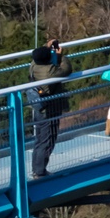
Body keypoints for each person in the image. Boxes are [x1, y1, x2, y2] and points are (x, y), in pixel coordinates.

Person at [28, 38, 71, 178]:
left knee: (39, 139)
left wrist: (47, 47)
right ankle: (40, 172)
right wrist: (61, 56)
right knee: (48, 139)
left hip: (38, 108)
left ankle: (36, 169)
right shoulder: (50, 72)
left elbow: (39, 57)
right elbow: (66, 69)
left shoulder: (34, 66)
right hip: (50, 109)